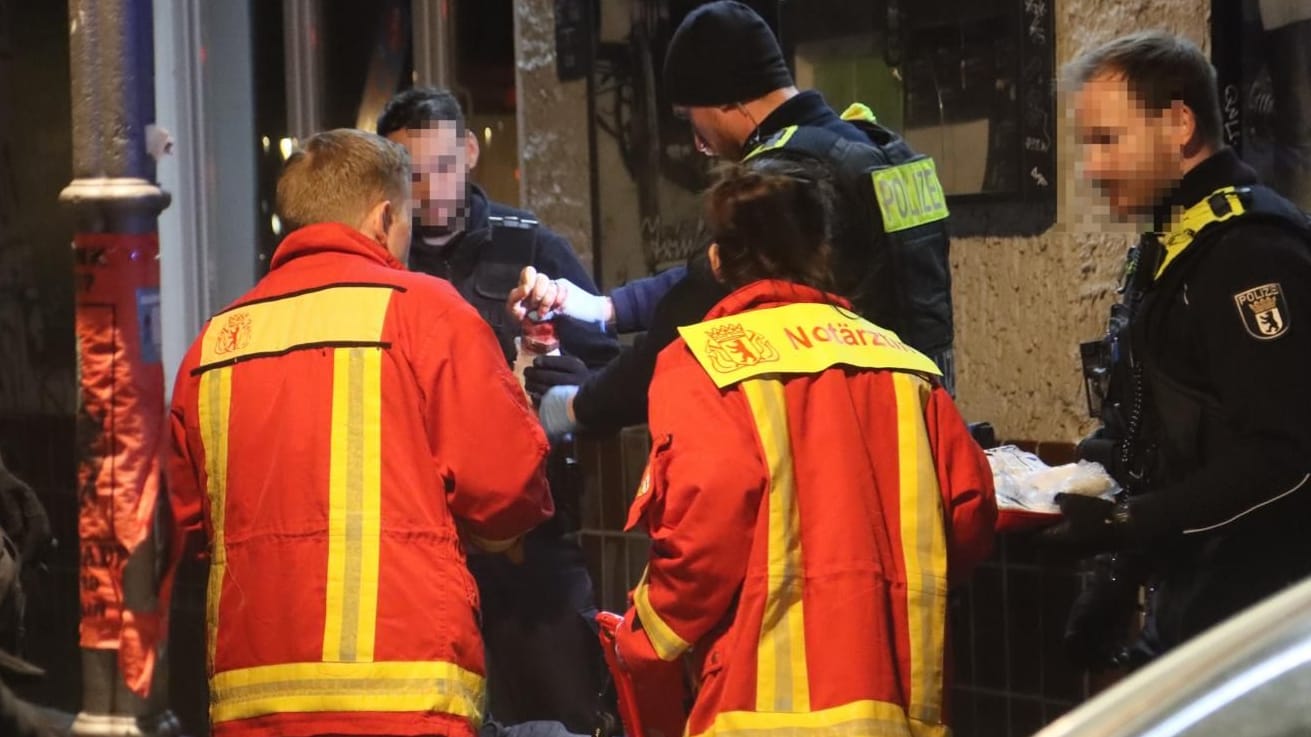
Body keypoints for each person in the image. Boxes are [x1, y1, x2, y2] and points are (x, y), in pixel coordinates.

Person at [165, 128, 554, 737]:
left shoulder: (215, 342)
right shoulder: (427, 312)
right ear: (384, 215)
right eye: (405, 225)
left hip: (252, 700)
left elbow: (188, 524)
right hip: (408, 691)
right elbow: (506, 490)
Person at [611, 158, 996, 736]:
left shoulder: (703, 363)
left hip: (757, 715)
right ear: (824, 249)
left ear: (719, 259)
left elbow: (704, 529)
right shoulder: (904, 364)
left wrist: (648, 636)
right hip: (900, 712)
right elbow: (967, 520)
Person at [510, 0, 955, 439]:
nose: (699, 142)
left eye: (692, 117)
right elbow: (720, 271)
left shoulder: (786, 181)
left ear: (724, 98)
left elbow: (686, 326)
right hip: (927, 423)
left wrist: (577, 406)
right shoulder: (877, 152)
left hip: (854, 436)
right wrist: (606, 309)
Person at [1047, 31, 1311, 669]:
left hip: (1267, 634)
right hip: (1201, 612)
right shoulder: (1177, 244)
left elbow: (1285, 456)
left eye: (1107, 141)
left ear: (1180, 124)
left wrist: (1128, 526)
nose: (1093, 168)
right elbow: (1160, 439)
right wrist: (1115, 577)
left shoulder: (1250, 251)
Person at [376, 90, 613, 734]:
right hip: (421, 542)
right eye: (410, 172)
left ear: (472, 152)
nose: (428, 188)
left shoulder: (532, 246)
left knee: (567, 715)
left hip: (533, 537)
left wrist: (575, 385)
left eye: (442, 166)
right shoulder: (378, 262)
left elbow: (609, 374)